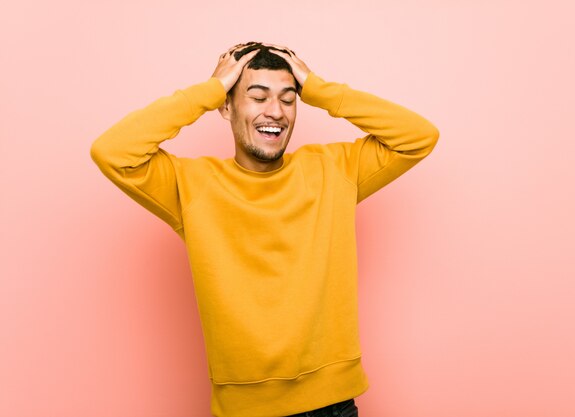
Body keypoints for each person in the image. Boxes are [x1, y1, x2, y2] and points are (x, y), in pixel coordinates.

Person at [90, 41, 439, 417]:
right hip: (244, 411)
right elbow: (112, 152)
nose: (275, 112)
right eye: (257, 97)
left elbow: (418, 136)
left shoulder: (335, 170)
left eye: (288, 100)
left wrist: (319, 89)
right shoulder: (191, 185)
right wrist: (208, 91)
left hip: (331, 405)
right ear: (227, 106)